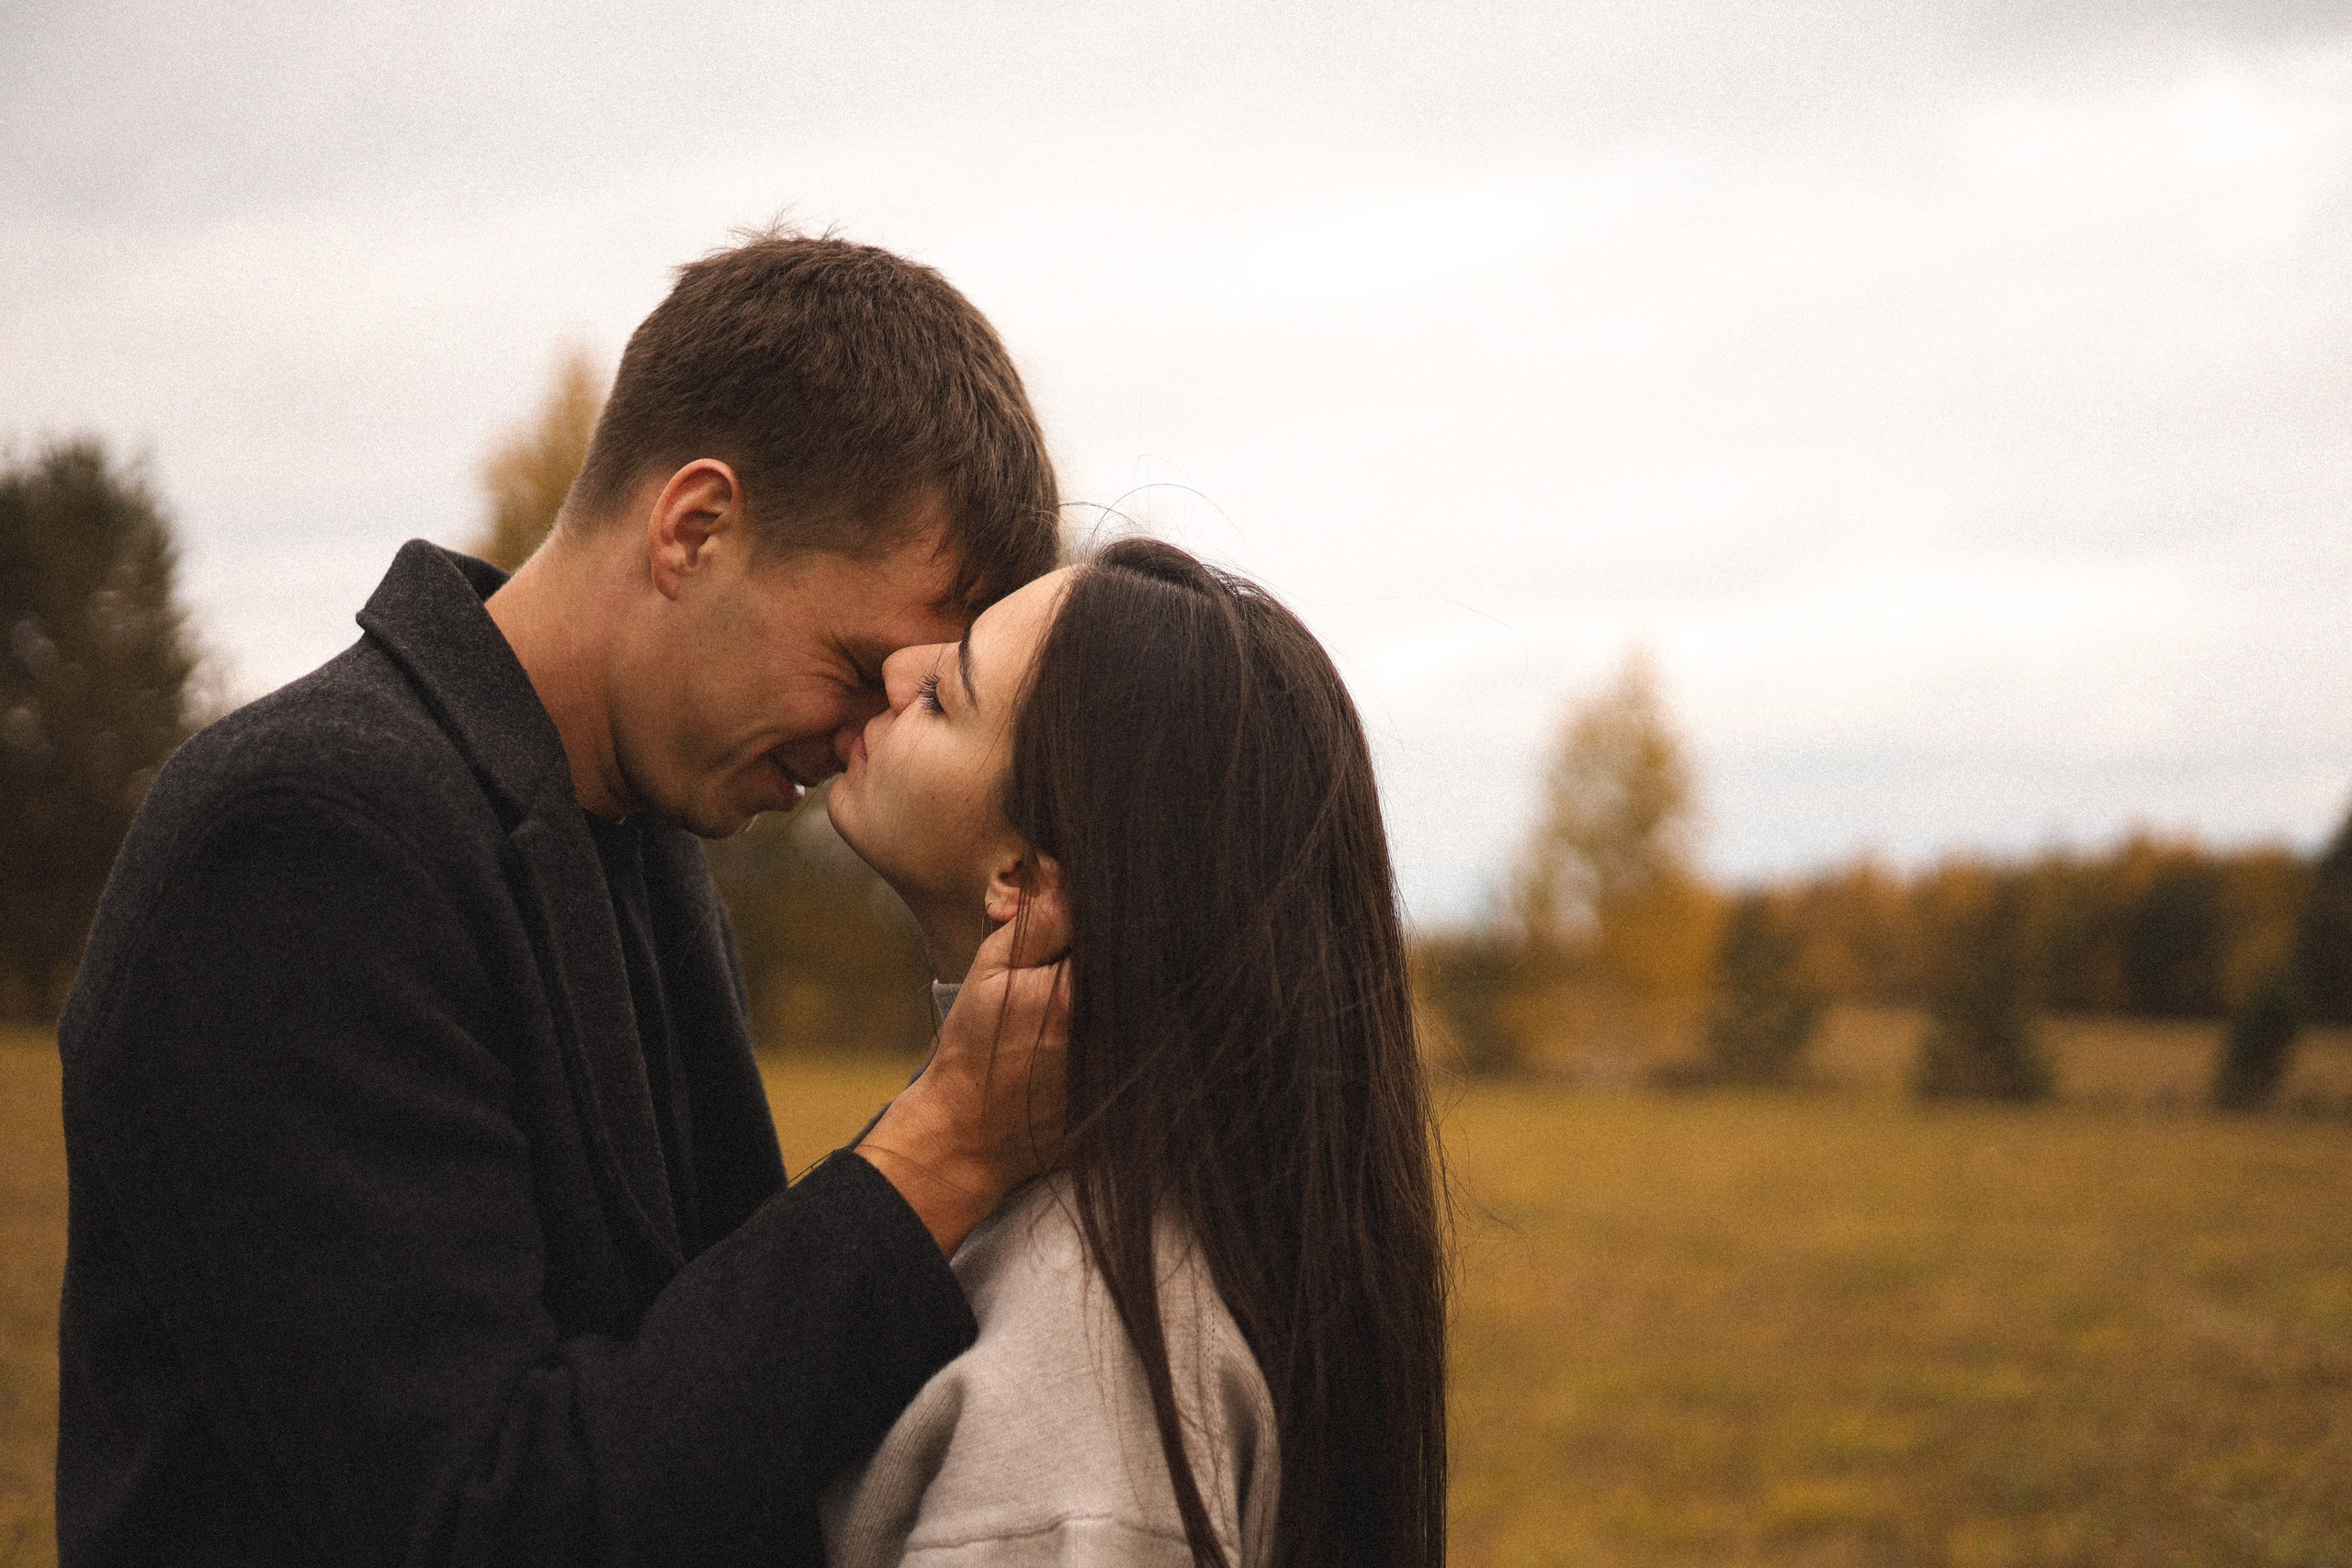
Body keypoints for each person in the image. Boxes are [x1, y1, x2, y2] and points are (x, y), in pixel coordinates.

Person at [55, 231, 1072, 1567]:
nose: (861, 739)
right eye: (855, 663)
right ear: (694, 528)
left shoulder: (636, 838)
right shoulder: (302, 837)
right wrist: (939, 1151)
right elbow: (481, 1518)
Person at [821, 539, 1449, 1568]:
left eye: (942, 695)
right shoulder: (1064, 1215)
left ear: (1025, 880)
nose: (893, 671)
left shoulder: (1090, 1355)